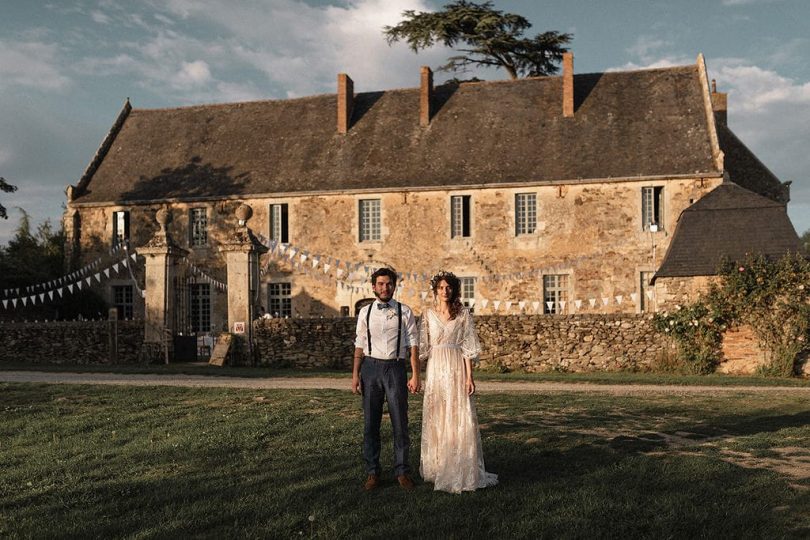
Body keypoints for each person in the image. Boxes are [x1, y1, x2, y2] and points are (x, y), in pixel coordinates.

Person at [419, 270, 498, 493]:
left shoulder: (462, 314)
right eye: (441, 287)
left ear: (454, 290)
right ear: (436, 291)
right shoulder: (427, 315)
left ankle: (459, 465)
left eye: (449, 287)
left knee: (457, 414)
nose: (445, 291)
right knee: (438, 413)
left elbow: (467, 348)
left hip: (456, 368)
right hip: (436, 368)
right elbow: (423, 348)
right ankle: (437, 465)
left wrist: (469, 376)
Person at [351, 267, 420, 491]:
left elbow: (413, 345)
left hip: (396, 369)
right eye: (380, 284)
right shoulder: (365, 312)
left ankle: (402, 471)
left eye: (389, 284)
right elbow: (359, 345)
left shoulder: (405, 311)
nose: (385, 288)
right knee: (371, 423)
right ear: (373, 287)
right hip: (370, 368)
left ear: (394, 286)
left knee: (400, 422)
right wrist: (355, 375)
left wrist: (415, 374)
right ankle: (373, 472)